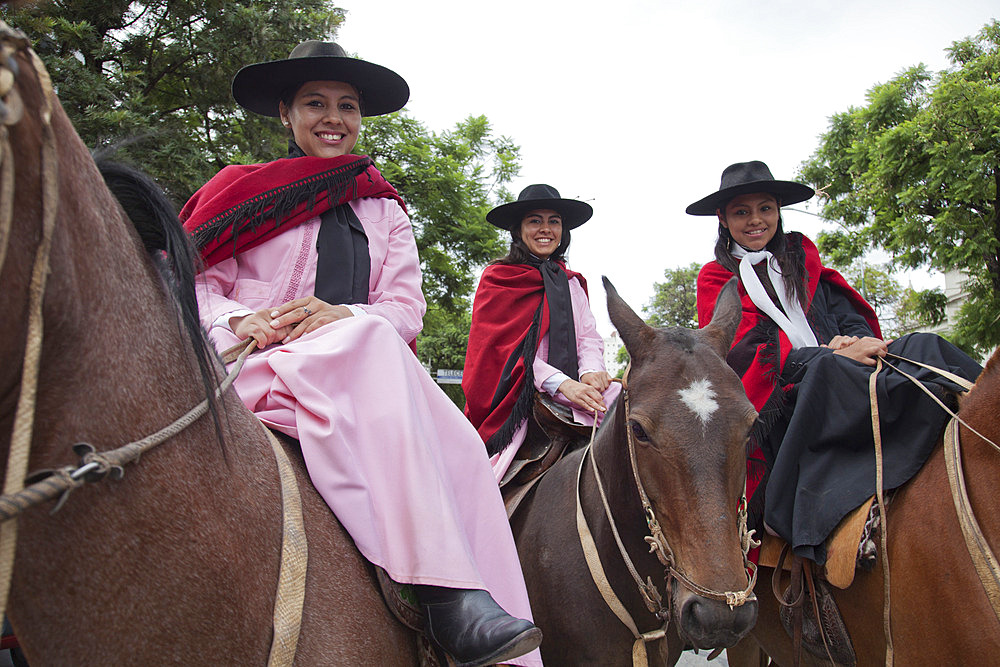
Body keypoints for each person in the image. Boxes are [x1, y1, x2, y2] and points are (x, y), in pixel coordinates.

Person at [181, 41, 542, 667]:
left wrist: (343, 314)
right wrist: (243, 316)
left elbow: (404, 312)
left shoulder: (385, 209)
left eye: (347, 106)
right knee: (370, 342)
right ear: (286, 114)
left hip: (361, 371)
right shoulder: (239, 190)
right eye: (315, 103)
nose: (334, 117)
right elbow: (195, 284)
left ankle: (486, 621)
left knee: (459, 442)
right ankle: (446, 591)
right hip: (261, 363)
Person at [690, 160, 983, 567]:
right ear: (723, 218)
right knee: (829, 372)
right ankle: (821, 525)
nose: (756, 220)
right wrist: (827, 356)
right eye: (742, 211)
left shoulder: (801, 257)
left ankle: (982, 425)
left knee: (923, 345)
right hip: (783, 394)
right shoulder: (716, 277)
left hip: (836, 365)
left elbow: (844, 312)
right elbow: (744, 352)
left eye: (765, 209)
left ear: (778, 211)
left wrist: (856, 339)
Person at [463, 184, 621, 479]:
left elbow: (587, 335)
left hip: (578, 387)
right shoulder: (499, 279)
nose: (545, 229)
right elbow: (503, 353)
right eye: (535, 220)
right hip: (521, 396)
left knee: (637, 412)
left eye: (554, 221)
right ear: (518, 229)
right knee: (486, 481)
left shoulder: (572, 283)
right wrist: (561, 384)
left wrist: (590, 371)